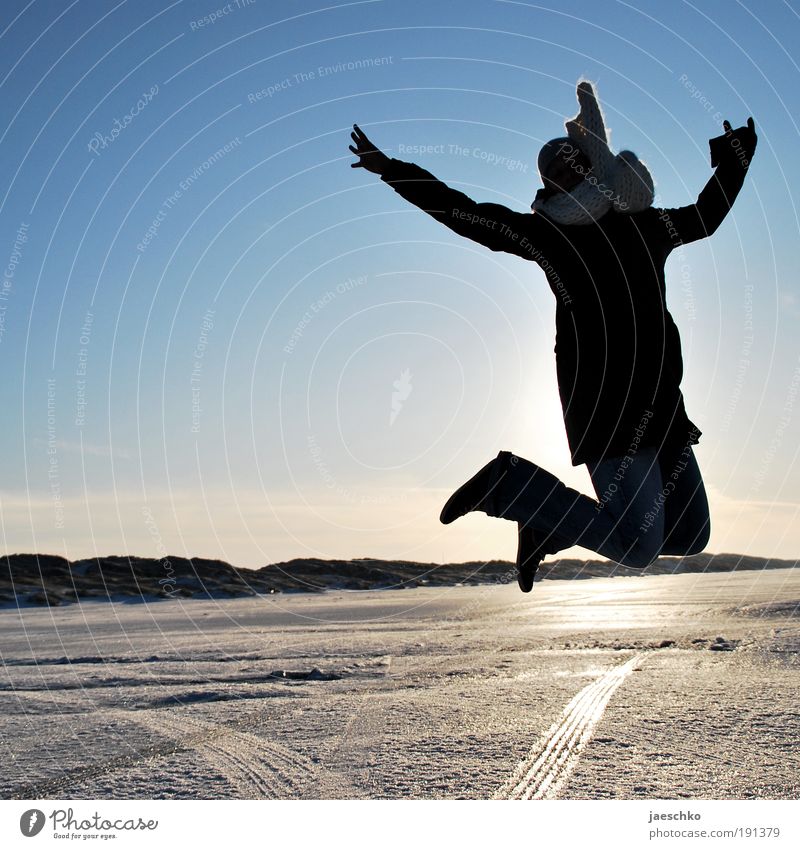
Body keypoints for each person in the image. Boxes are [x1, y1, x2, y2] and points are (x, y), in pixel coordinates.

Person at [349, 81, 757, 593]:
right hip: (608, 408)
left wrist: (735, 157)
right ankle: (510, 487)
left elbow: (706, 215)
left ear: (594, 164)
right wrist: (392, 170)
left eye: (572, 166)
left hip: (663, 408)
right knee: (637, 546)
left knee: (692, 534)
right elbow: (465, 214)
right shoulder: (550, 237)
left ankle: (548, 519)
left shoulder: (645, 225)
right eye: (553, 175)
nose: (564, 177)